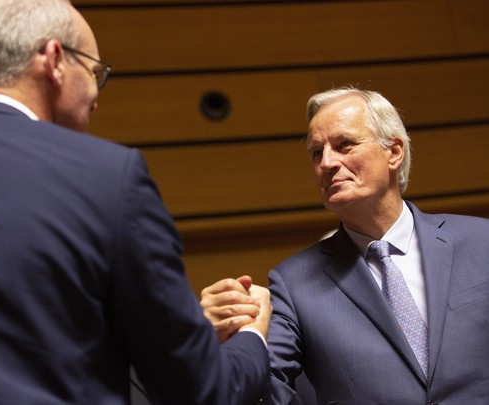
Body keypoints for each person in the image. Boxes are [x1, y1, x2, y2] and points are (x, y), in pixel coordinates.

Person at [0, 1, 272, 404]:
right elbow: (202, 391)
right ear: (55, 60)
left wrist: (183, 326)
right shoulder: (108, 176)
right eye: (96, 72)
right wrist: (253, 337)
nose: (96, 96)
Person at [201, 87, 489, 404]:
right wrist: (228, 340)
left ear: (394, 152)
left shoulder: (480, 241)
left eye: (344, 145)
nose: (326, 163)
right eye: (315, 153)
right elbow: (261, 392)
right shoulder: (294, 285)